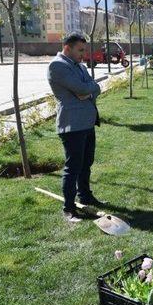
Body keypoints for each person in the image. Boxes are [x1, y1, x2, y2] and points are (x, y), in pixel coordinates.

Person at [47, 33, 103, 223]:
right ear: (67, 48)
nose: (83, 54)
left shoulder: (78, 65)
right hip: (72, 125)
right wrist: (87, 89)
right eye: (80, 50)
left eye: (84, 50)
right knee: (73, 167)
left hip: (86, 122)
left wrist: (88, 90)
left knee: (86, 163)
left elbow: (93, 88)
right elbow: (82, 89)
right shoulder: (58, 66)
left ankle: (85, 196)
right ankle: (69, 208)